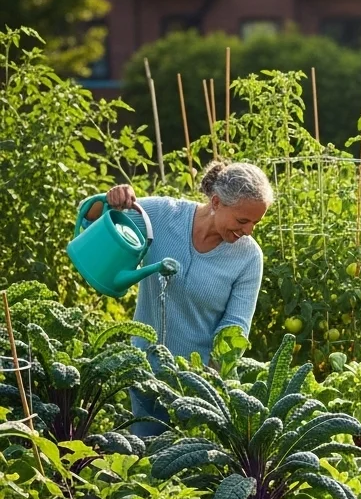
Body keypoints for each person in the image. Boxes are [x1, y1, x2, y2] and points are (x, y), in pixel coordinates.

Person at [87, 161, 273, 433]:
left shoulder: (248, 257)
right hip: (144, 372)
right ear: (217, 202)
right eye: (242, 220)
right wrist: (111, 199)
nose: (248, 231)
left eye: (255, 223)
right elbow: (94, 219)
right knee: (145, 458)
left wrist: (204, 384)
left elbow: (234, 327)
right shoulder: (162, 216)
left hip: (195, 386)